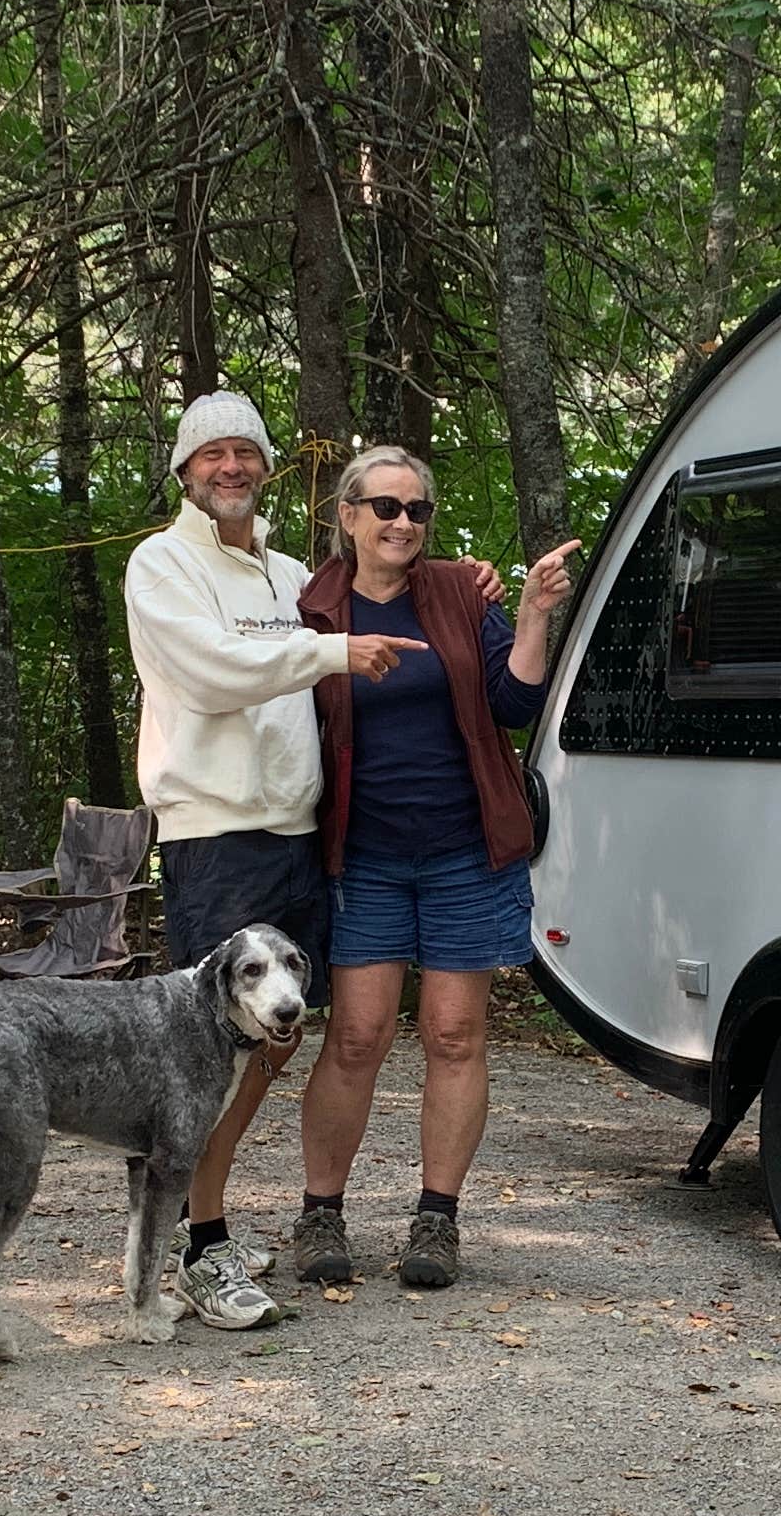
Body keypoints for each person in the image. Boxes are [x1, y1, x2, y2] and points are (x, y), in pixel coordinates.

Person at [119, 393, 430, 1329]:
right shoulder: (162, 564)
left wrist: (476, 589)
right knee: (207, 1055)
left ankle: (187, 1219)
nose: (230, 468)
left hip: (298, 836)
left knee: (268, 1044)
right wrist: (329, 651)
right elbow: (213, 671)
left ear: (265, 469)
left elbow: (383, 583)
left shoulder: (291, 573)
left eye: (245, 454)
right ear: (184, 471)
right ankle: (196, 1246)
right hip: (217, 837)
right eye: (210, 455)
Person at [292, 444, 582, 1290]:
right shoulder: (311, 607)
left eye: (417, 510)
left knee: (456, 1035)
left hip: (466, 853)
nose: (403, 523)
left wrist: (529, 616)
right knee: (355, 1037)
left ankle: (436, 1220)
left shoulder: (460, 592)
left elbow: (514, 702)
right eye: (385, 507)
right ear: (347, 516)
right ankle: (321, 1215)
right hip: (363, 857)